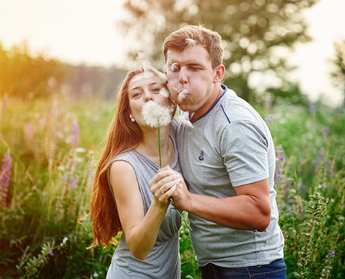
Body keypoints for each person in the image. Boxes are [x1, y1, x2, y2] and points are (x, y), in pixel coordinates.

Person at [155, 25, 286, 278]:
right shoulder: (185, 116)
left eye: (194, 68)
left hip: (251, 270)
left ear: (218, 73)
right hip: (215, 267)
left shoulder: (234, 124)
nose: (183, 77)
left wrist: (189, 201)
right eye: (175, 68)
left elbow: (259, 213)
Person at [83, 67, 183, 278]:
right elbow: (138, 248)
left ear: (170, 99)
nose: (147, 96)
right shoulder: (124, 167)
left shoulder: (181, 136)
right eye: (137, 94)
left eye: (156, 89)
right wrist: (159, 203)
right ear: (129, 112)